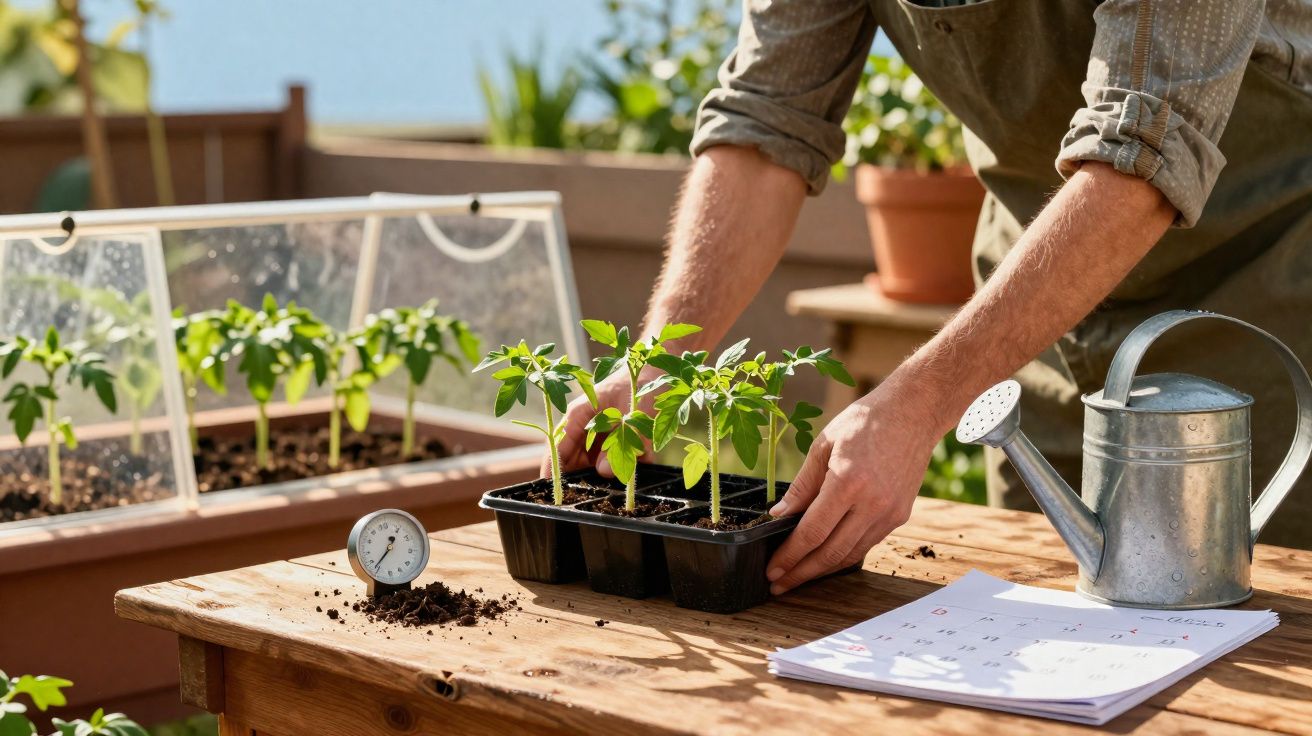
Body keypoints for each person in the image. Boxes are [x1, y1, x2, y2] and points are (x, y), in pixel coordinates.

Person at [549, 0, 1312, 596]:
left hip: (1268, 278)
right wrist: (659, 364)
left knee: (1264, 634)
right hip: (1039, 309)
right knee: (1043, 636)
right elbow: (764, 123)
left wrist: (917, 404)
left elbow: (1146, 149)